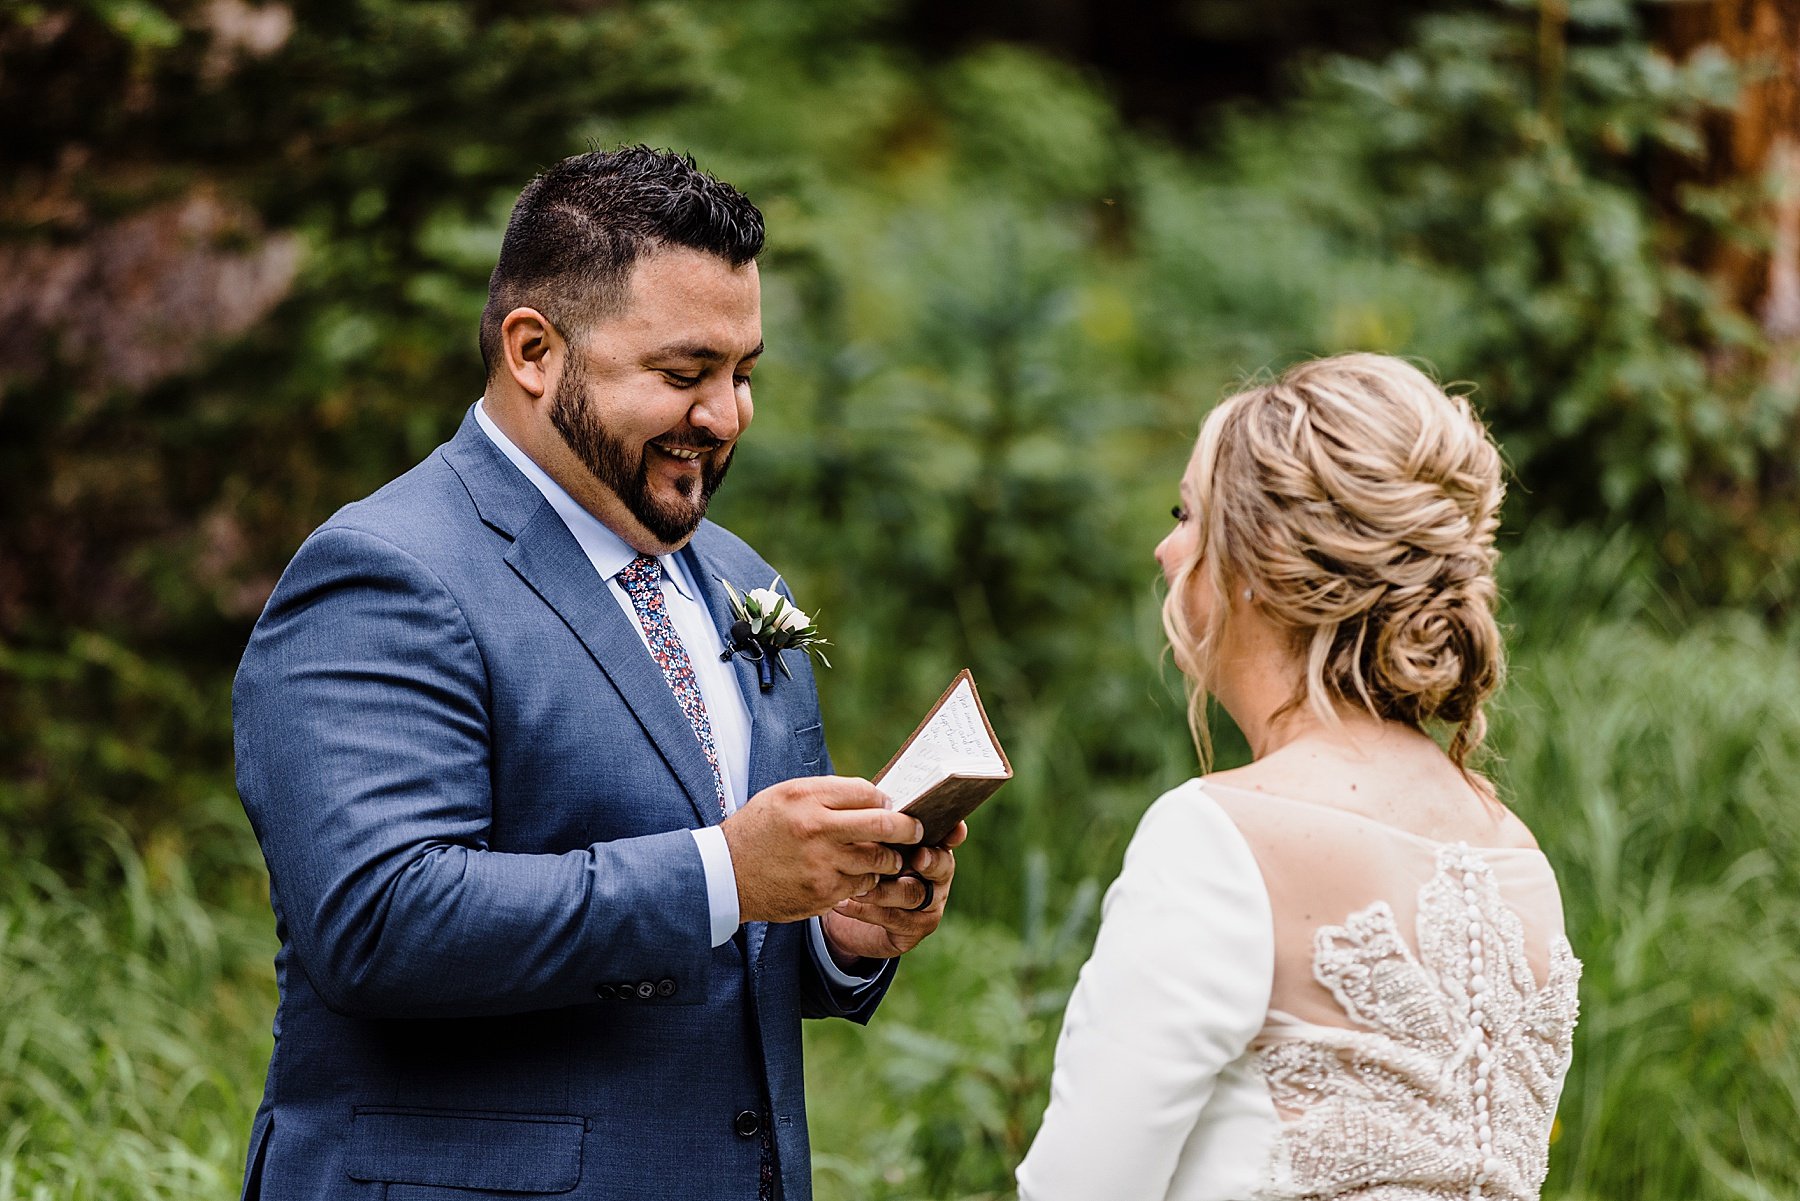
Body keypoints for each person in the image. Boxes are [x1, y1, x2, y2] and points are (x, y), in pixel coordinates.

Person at [231, 146, 962, 1201]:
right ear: (534, 350)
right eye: (682, 374)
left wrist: (841, 927)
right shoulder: (387, 572)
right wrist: (727, 872)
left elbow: (721, 940)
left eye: (743, 374)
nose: (726, 416)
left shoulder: (741, 579)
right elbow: (379, 921)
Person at [1016, 354, 1581, 1201]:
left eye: (1187, 514)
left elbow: (1077, 1189)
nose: (1165, 550)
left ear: (1255, 562)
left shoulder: (1217, 839)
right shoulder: (1519, 860)